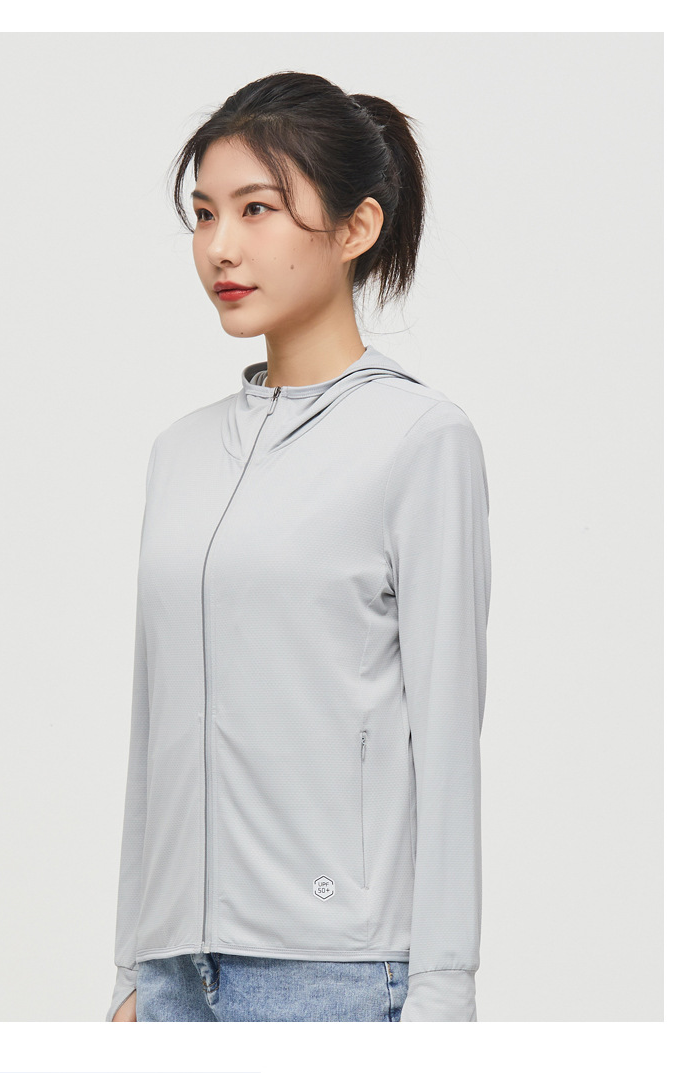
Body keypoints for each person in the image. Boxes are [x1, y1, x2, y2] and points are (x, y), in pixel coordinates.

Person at [107, 70, 492, 1023]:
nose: (221, 247)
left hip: (335, 975)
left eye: (257, 209)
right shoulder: (178, 453)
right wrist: (130, 969)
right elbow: (155, 732)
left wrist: (444, 992)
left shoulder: (420, 440)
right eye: (204, 214)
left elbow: (447, 736)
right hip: (173, 973)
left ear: (357, 228)